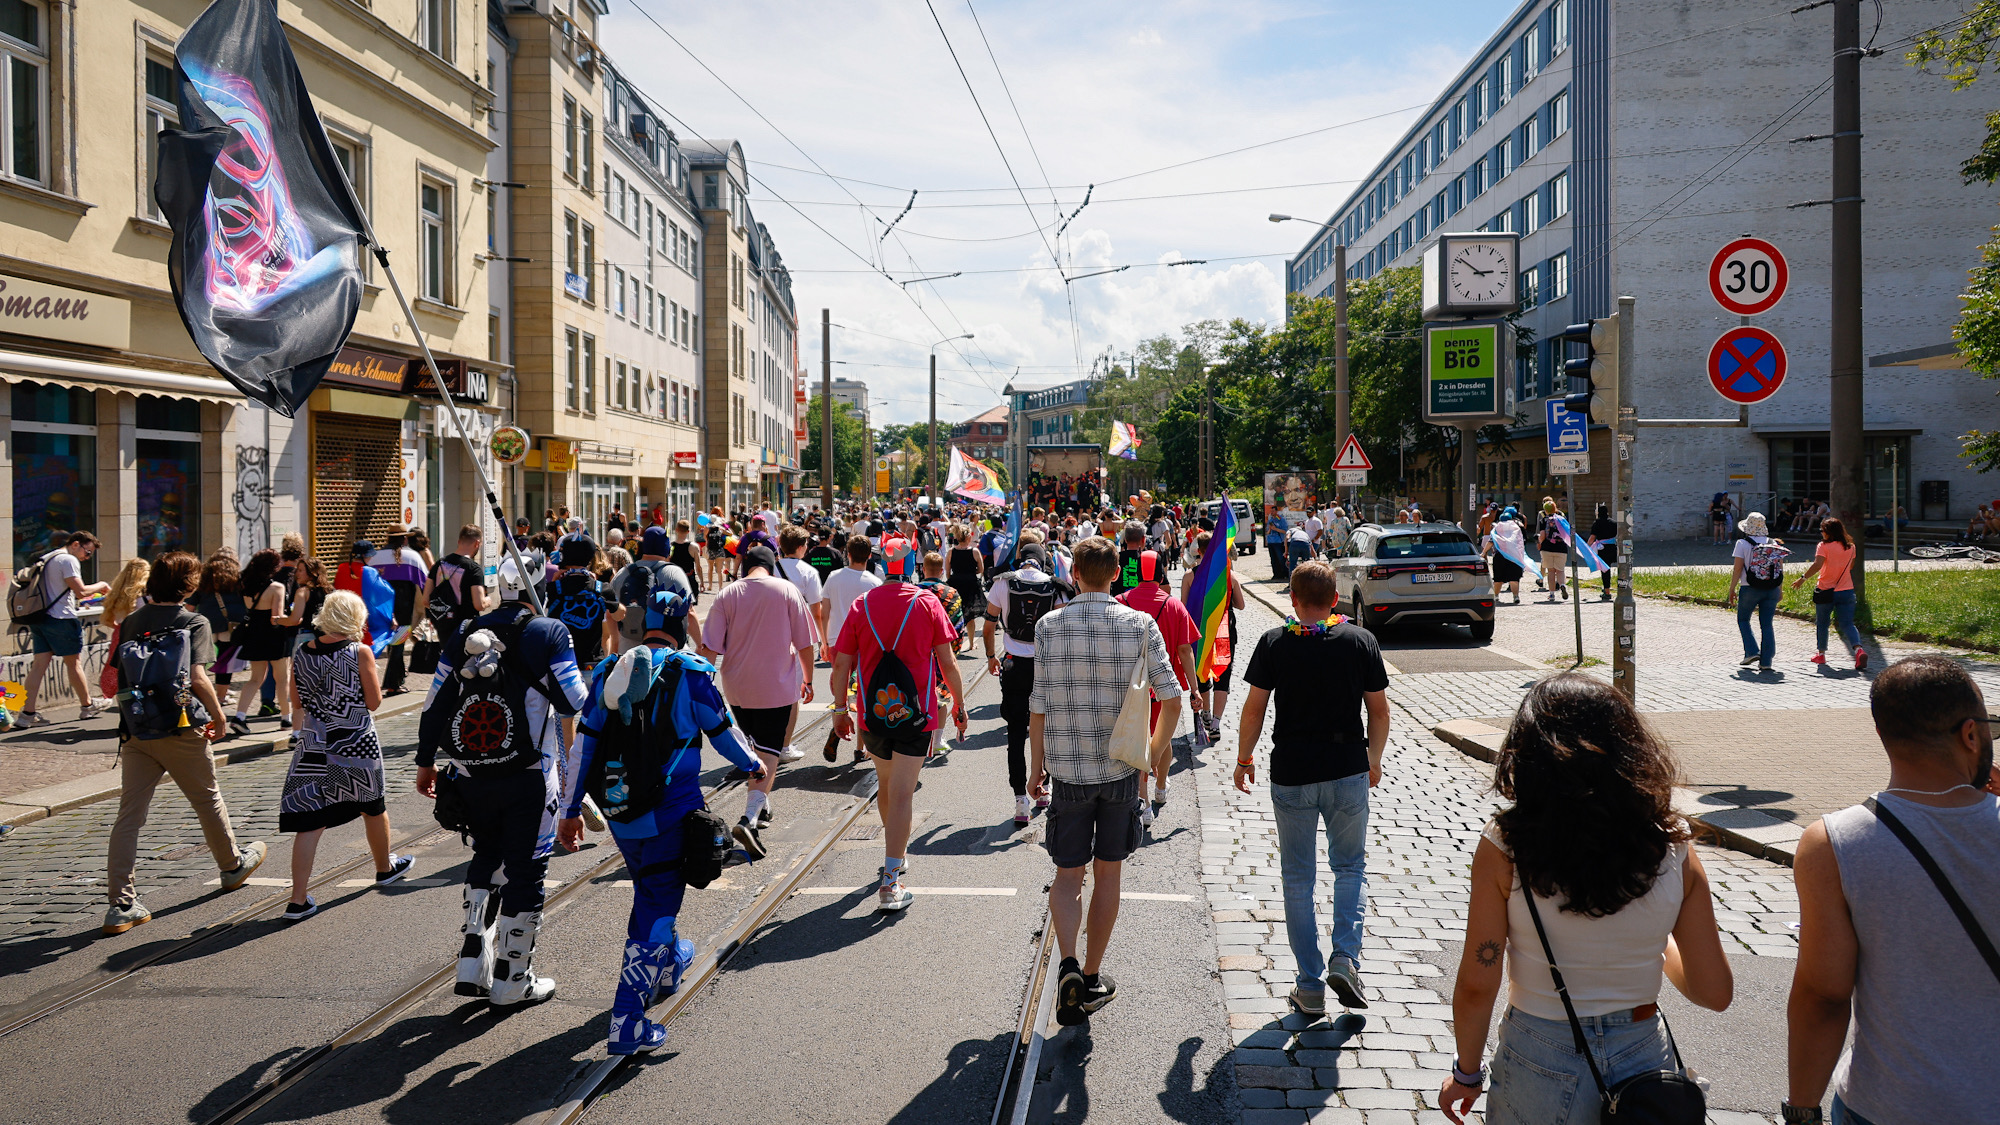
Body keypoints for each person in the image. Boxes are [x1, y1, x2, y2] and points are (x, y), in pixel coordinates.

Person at [1438, 674, 1733, 1124]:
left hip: (1540, 1049)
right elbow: (1714, 992)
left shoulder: (1506, 845)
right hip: (1644, 1057)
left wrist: (1466, 1072)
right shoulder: (1673, 845)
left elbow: (1479, 982)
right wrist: (1656, 941)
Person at [1782, 656, 1999, 1125]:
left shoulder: (1833, 844)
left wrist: (1801, 1110)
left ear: (1882, 736)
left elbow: (1824, 995)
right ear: (1970, 734)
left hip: (1891, 1104)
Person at [559, 586, 767, 1054]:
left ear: (642, 621)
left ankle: (669, 963)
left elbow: (583, 746)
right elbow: (726, 734)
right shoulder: (692, 673)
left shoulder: (611, 669)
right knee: (656, 908)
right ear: (683, 623)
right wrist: (755, 766)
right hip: (671, 812)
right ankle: (627, 1021)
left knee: (651, 890)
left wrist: (569, 811)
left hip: (621, 812)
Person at [416, 549, 589, 1006]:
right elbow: (574, 702)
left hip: (472, 774)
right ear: (539, 589)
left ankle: (473, 961)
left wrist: (424, 761)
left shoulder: (468, 630)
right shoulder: (549, 631)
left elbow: (434, 703)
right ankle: (514, 977)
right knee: (527, 870)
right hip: (528, 777)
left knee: (486, 857)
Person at [1028, 536, 1181, 1024]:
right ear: (1118, 573)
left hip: (1068, 770)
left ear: (1073, 572)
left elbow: (1038, 708)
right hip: (1119, 769)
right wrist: (1150, 758)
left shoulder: (1049, 626)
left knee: (1067, 875)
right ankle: (1092, 975)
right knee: (1109, 873)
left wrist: (1036, 769)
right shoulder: (1140, 624)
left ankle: (1069, 962)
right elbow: (1172, 698)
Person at [1233, 560, 1390, 1016]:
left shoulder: (1274, 643)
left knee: (1298, 879)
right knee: (1350, 868)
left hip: (1293, 772)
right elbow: (1379, 712)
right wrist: (1373, 759)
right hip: (1347, 770)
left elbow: (1253, 710)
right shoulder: (1362, 642)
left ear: (1294, 600)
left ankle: (1309, 984)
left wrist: (1245, 759)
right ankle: (1345, 957)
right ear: (1336, 599)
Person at [102, 552, 268, 935]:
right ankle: (231, 866)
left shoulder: (131, 621)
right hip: (181, 727)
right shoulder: (194, 621)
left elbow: (110, 679)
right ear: (189, 585)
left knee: (130, 816)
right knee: (206, 798)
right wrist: (219, 715)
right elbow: (198, 676)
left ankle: (120, 903)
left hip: (137, 731)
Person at [829, 563, 967, 911]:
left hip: (873, 714)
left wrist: (839, 710)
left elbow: (841, 663)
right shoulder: (927, 602)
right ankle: (890, 883)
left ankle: (896, 852)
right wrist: (959, 706)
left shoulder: (863, 603)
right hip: (917, 714)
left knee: (887, 785)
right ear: (910, 568)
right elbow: (948, 663)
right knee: (904, 793)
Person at [278, 591, 412, 922]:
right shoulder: (359, 652)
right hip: (354, 743)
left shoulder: (302, 652)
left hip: (313, 744)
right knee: (372, 806)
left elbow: (296, 701)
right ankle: (384, 867)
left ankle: (297, 900)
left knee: (310, 822)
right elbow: (374, 702)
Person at [701, 545, 817, 857]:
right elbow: (805, 643)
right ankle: (749, 818)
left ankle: (762, 806)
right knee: (768, 751)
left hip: (737, 686)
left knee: (755, 747)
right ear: (771, 566)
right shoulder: (787, 590)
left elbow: (709, 646)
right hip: (776, 685)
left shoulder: (728, 594)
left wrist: (698, 683)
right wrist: (808, 678)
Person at [986, 543, 1072, 825]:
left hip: (1012, 664)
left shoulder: (1003, 584)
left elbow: (988, 625)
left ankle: (1019, 800)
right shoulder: (1056, 587)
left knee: (1015, 732)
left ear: (1022, 560)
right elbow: (1063, 629)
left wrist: (990, 657)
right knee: (1047, 727)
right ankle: (1043, 788)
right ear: (1043, 562)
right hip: (1044, 666)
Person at [1117, 551, 1203, 826]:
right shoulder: (1174, 605)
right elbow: (1185, 649)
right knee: (1161, 740)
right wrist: (1195, 688)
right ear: (1161, 571)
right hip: (1164, 691)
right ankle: (1160, 788)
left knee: (1139, 739)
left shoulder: (1122, 602)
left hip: (1131, 688)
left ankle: (1141, 802)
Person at [17, 530, 110, 727]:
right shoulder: (68, 560)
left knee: (38, 666)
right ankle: (87, 706)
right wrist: (102, 584)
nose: (87, 557)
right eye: (88, 552)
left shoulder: (48, 557)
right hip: (62, 619)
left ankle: (27, 714)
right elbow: (81, 591)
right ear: (75, 544)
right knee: (74, 664)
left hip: (41, 617)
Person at [1180, 531, 1245, 745]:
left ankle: (1206, 714)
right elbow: (1241, 605)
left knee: (1202, 672)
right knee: (1222, 675)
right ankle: (1216, 723)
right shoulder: (1229, 576)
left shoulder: (1190, 576)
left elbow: (1184, 607)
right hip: (1225, 631)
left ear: (1198, 551)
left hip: (1199, 631)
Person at [229, 550, 301, 737]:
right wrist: (294, 619)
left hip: (253, 633)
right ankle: (286, 718)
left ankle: (239, 716)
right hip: (273, 636)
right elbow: (275, 618)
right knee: (282, 677)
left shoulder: (247, 585)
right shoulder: (276, 587)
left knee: (255, 678)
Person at [1791, 517, 1867, 671]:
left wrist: (1803, 578)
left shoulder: (1823, 546)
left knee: (1823, 623)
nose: (1821, 533)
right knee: (1847, 623)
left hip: (1826, 590)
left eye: (1822, 530)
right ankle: (1859, 650)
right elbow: (1850, 566)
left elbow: (1818, 564)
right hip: (1846, 590)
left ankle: (1821, 654)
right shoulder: (1851, 546)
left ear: (1829, 532)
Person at [613, 526, 700, 655]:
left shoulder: (622, 573)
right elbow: (690, 613)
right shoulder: (673, 573)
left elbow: (610, 615)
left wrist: (613, 652)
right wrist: (700, 644)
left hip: (628, 650)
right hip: (664, 653)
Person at [1725, 512, 1790, 673]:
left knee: (1743, 619)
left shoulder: (1742, 543)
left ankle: (1752, 651)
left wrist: (1732, 588)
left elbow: (1738, 568)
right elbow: (1780, 568)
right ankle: (1766, 662)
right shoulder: (1773, 543)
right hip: (1772, 588)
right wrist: (1780, 589)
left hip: (1750, 587)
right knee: (1767, 624)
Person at [368, 525, 429, 694]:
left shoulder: (375, 557)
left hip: (380, 607)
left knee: (388, 642)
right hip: (404, 608)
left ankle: (394, 680)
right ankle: (393, 683)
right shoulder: (412, 556)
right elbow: (425, 582)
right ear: (405, 539)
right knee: (398, 644)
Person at [419, 524, 490, 647]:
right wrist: (487, 600)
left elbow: (425, 600)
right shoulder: (474, 569)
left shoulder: (439, 564)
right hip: (466, 628)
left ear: (459, 541)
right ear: (477, 543)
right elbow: (479, 605)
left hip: (443, 626)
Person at [777, 525, 828, 664]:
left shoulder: (771, 568)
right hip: (800, 630)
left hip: (774, 628)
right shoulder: (809, 572)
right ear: (800, 547)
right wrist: (824, 641)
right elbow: (816, 611)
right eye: (806, 544)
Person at [1535, 501, 1569, 602]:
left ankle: (1552, 594)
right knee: (1560, 570)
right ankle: (1562, 585)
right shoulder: (1562, 519)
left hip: (1547, 548)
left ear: (1545, 510)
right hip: (1561, 548)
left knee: (1550, 571)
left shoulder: (1544, 520)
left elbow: (1542, 536)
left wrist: (1539, 542)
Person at [1587, 504, 1617, 601]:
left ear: (1598, 513)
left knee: (1605, 570)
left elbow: (1592, 537)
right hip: (1612, 547)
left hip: (1602, 549)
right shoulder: (1613, 522)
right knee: (1613, 567)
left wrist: (1587, 547)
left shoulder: (1597, 523)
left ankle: (1607, 591)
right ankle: (1618, 588)